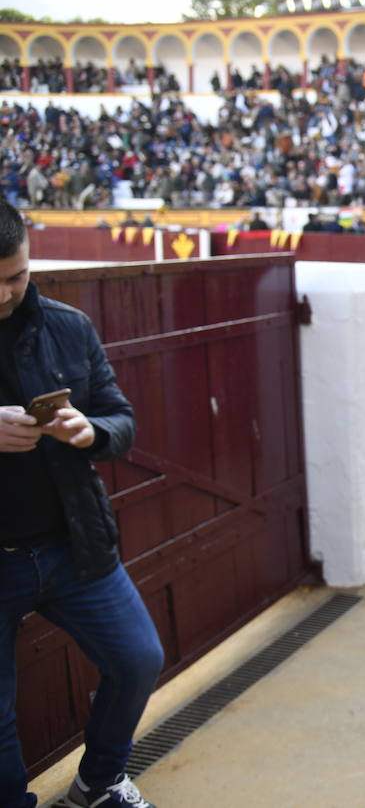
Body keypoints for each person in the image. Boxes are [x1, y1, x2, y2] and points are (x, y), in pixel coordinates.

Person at [0, 201, 163, 808]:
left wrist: (90, 432)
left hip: (73, 544)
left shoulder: (68, 325)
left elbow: (121, 419)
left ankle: (98, 784)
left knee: (139, 660)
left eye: (16, 277)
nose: (4, 294)